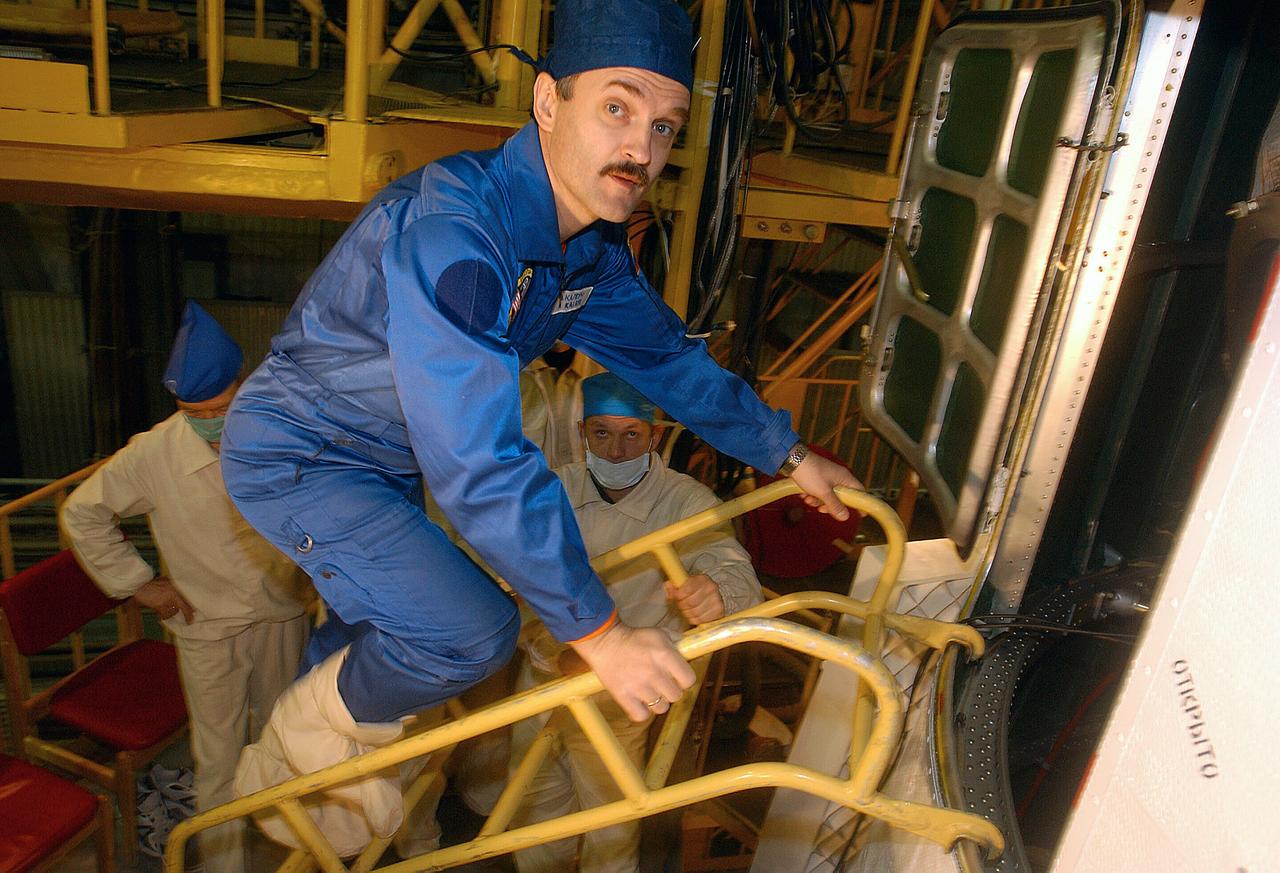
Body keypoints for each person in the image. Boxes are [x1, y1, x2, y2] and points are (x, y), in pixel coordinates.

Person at [221, 0, 859, 852]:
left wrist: (790, 453)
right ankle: (285, 767)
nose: (642, 147)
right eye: (617, 108)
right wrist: (599, 632)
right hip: (304, 456)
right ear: (548, 103)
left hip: (384, 465)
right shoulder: (458, 234)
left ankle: (335, 772)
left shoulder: (584, 251)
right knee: (471, 630)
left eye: (666, 126)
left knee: (393, 626)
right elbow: (479, 459)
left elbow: (669, 362)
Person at [60, 301, 312, 873]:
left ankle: (287, 854)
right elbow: (83, 513)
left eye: (218, 409)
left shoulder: (278, 427)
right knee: (218, 755)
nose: (208, 422)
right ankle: (225, 864)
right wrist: (139, 584)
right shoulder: (155, 454)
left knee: (280, 740)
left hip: (282, 613)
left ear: (242, 384)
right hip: (207, 624)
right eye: (192, 412)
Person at [510, 371, 763, 873]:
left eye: (632, 434)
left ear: (656, 436)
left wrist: (717, 591)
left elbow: (731, 565)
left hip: (619, 694)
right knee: (530, 808)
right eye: (602, 433)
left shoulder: (685, 501)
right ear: (582, 433)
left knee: (611, 821)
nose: (618, 450)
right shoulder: (554, 487)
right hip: (543, 672)